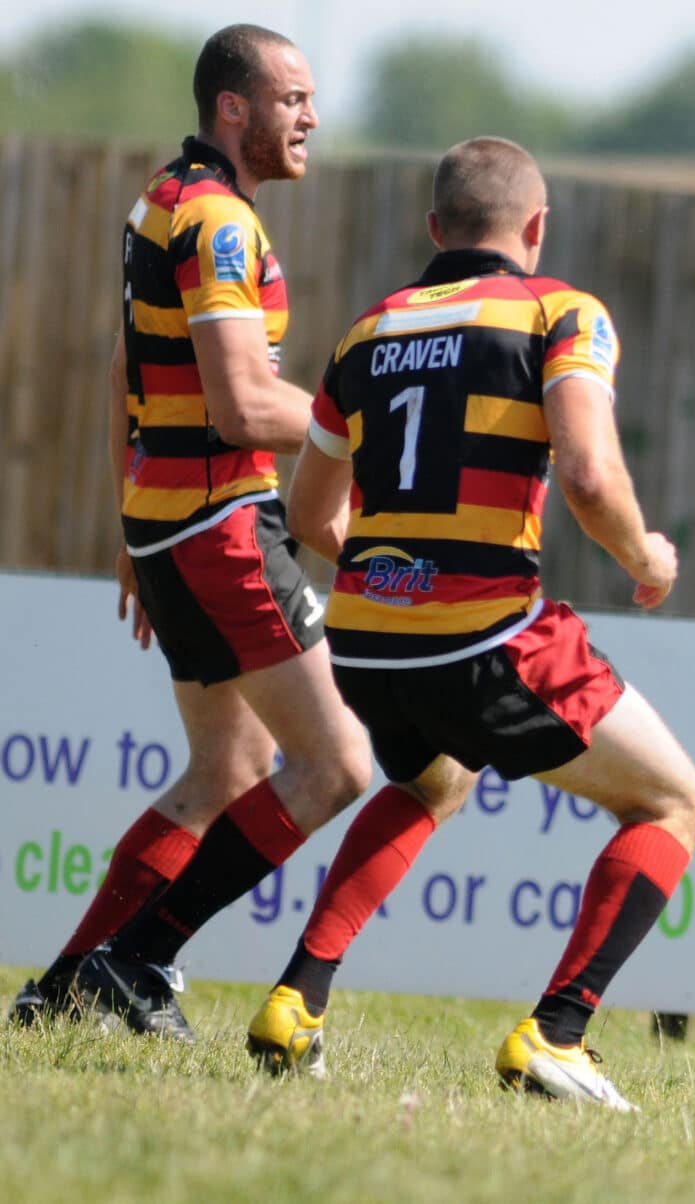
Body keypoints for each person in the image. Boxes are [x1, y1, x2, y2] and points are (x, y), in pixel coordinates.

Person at [240, 136, 695, 1109]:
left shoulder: (364, 333)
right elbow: (587, 475)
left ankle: (296, 997)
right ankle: (559, 1034)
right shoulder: (559, 312)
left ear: (433, 230)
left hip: (364, 638)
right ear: (535, 228)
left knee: (433, 782)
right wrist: (645, 558)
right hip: (486, 632)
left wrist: (397, 573)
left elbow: (308, 515)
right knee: (676, 801)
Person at [9, 24, 373, 1039]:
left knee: (225, 773)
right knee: (339, 762)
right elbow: (240, 407)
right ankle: (135, 959)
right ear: (233, 108)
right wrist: (363, 427)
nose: (309, 116)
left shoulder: (160, 198)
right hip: (220, 526)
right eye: (292, 98)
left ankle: (67, 986)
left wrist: (133, 523)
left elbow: (134, 371)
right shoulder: (216, 221)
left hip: (171, 524)